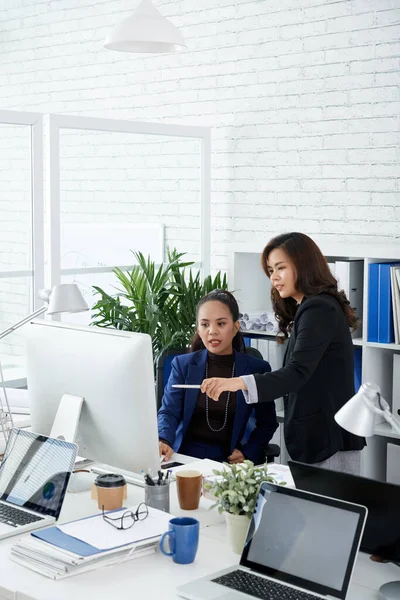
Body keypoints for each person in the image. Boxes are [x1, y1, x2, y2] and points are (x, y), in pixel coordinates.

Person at [201, 233, 366, 475]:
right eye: (270, 270)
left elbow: (296, 372)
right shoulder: (311, 307)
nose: (274, 277)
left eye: (280, 268)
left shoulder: (318, 308)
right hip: (321, 438)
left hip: (329, 441)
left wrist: (235, 383)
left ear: (304, 265)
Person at [157, 289, 278, 465]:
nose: (212, 331)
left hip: (230, 461)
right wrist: (164, 440)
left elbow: (267, 423)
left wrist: (248, 452)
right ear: (198, 328)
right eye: (205, 324)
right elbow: (169, 412)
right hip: (184, 458)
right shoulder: (182, 365)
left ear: (235, 327)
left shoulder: (256, 369)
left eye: (221, 324)